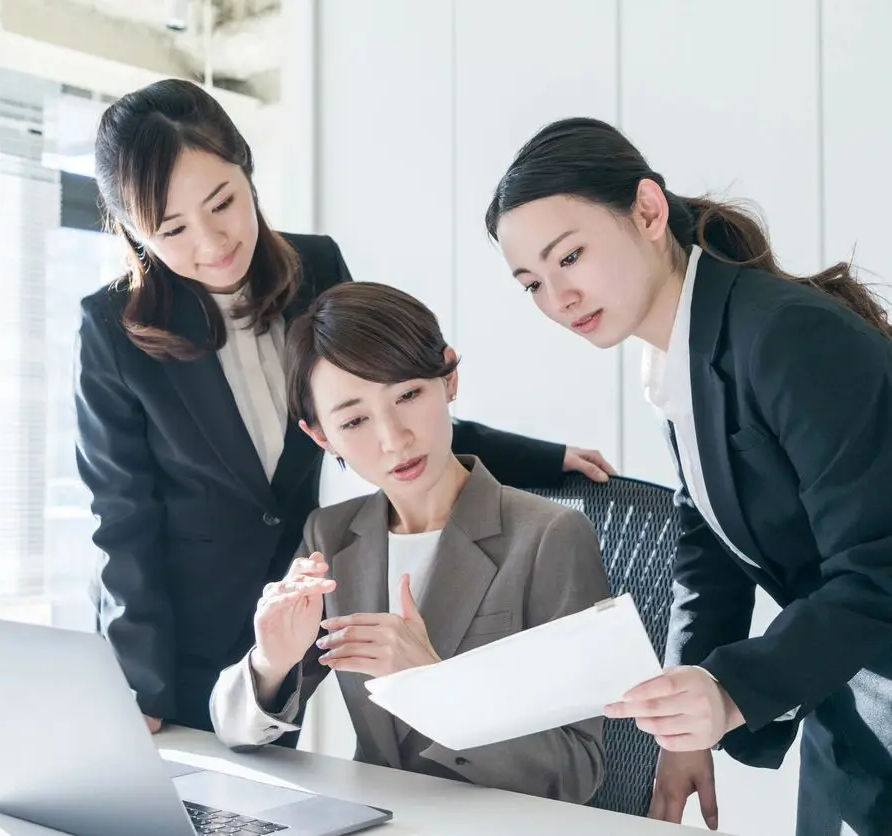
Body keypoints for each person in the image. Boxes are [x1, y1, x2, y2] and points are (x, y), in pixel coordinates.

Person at [74, 79, 615, 740]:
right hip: (175, 630)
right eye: (173, 229)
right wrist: (138, 682)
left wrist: (545, 457)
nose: (212, 242)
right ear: (134, 231)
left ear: (246, 167)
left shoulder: (315, 264)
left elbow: (383, 401)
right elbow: (120, 512)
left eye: (223, 203)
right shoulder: (112, 327)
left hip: (300, 611)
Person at [485, 116, 892, 835]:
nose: (559, 299)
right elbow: (710, 540)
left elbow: (881, 566)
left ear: (647, 211)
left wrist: (731, 691)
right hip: (843, 688)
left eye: (570, 256)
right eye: (532, 285)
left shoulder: (786, 336)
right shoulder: (679, 354)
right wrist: (689, 713)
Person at [208, 281, 610, 804]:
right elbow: (234, 730)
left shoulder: (550, 537)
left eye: (408, 395)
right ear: (320, 437)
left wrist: (435, 687)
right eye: (354, 420)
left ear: (449, 378)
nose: (394, 438)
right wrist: (270, 661)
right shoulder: (330, 537)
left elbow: (577, 771)